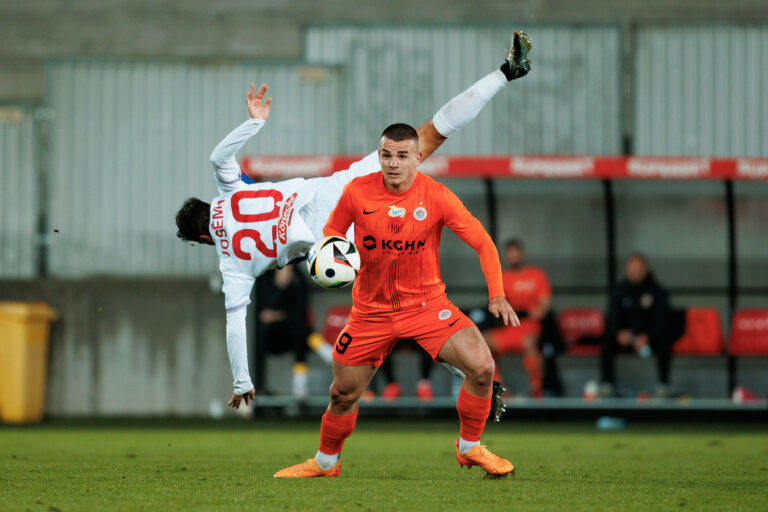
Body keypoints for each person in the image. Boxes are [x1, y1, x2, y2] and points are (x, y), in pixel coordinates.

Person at [174, 31, 533, 411]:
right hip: (336, 190)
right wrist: (255, 123)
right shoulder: (229, 190)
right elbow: (218, 157)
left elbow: (235, 324)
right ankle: (504, 73)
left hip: (329, 243)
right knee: (428, 135)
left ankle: (467, 378)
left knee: (398, 306)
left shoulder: (232, 265)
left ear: (201, 237)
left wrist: (243, 380)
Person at [274, 117, 526, 478]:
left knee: (483, 368)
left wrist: (497, 293)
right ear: (379, 155)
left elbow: (482, 241)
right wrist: (332, 259)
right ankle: (326, 463)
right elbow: (332, 233)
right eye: (386, 155)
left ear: (417, 158)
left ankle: (470, 448)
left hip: (426, 306)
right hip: (370, 312)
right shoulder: (357, 192)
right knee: (341, 395)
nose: (393, 163)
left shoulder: (436, 196)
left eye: (402, 156)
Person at [481, 239, 556, 397]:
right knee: (483, 342)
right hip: (510, 326)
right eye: (510, 253)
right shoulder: (503, 277)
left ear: (522, 254)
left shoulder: (536, 275)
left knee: (529, 344)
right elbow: (498, 305)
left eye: (516, 252)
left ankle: (536, 391)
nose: (514, 256)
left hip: (531, 327)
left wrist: (535, 312)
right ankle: (498, 390)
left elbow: (544, 305)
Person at [600, 253, 678, 398]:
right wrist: (619, 333)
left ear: (645, 269)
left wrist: (647, 336)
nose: (635, 272)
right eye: (632, 268)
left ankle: (663, 385)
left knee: (665, 340)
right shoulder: (619, 290)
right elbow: (611, 317)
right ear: (627, 270)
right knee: (607, 340)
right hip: (626, 337)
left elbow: (663, 319)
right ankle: (607, 384)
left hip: (649, 336)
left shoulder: (657, 291)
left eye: (638, 268)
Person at [255, 266, 312, 398]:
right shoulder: (264, 275)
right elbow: (262, 311)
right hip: (270, 335)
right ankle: (252, 387)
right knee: (256, 337)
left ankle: (300, 384)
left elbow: (300, 311)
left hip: (292, 331)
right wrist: (280, 286)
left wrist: (277, 315)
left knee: (301, 330)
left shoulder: (298, 277)